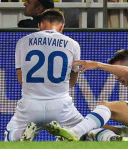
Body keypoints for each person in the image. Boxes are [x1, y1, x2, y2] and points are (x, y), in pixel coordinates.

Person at [54, 49, 128, 141]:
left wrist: (98, 65)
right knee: (93, 129)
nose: (116, 77)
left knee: (107, 106)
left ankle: (74, 132)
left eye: (117, 70)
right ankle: (112, 140)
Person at [5, 9, 82, 141]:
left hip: (30, 105)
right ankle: (68, 137)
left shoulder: (22, 42)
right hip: (61, 105)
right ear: (62, 26)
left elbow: (21, 79)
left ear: (39, 25)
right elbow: (73, 79)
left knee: (9, 134)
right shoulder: (73, 44)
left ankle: (21, 134)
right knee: (83, 132)